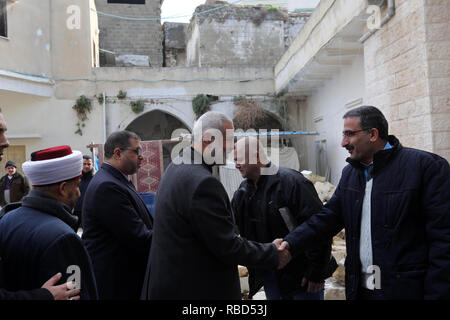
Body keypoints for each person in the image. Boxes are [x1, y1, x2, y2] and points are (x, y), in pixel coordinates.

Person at [278, 106, 450, 300]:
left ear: (373, 134)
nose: (343, 143)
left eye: (349, 134)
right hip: (361, 289)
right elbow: (326, 219)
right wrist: (290, 243)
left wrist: (437, 294)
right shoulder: (351, 174)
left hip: (406, 290)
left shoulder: (426, 168)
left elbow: (443, 240)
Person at [141, 111, 291, 300]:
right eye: (228, 140)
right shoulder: (202, 183)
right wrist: (271, 253)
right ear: (208, 139)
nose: (231, 148)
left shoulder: (178, 166)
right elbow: (226, 245)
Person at [232, 136, 337, 300]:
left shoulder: (292, 182)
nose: (236, 164)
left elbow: (319, 226)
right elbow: (234, 229)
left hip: (303, 280)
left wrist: (316, 272)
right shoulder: (243, 193)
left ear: (257, 156)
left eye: (239, 159)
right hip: (270, 278)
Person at [0, 145, 98, 300]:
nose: (79, 193)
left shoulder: (6, 220)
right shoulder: (65, 238)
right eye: (77, 186)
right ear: (64, 188)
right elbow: (77, 293)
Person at [82, 131, 153, 299]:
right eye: (136, 151)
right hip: (117, 285)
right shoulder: (107, 186)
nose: (141, 157)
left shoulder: (116, 180)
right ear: (118, 153)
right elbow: (139, 237)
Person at [73, 155, 94, 229]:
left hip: (89, 212)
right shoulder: (75, 177)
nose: (86, 166)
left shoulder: (95, 178)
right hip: (76, 210)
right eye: (84, 164)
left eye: (89, 164)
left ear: (92, 165)